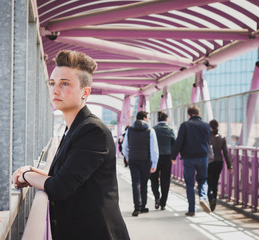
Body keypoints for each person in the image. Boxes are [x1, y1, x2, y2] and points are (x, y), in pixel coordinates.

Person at [12, 49, 130, 240]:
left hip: (98, 233)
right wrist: (32, 171)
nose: (55, 90)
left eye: (64, 83)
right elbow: (64, 176)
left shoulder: (93, 130)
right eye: (52, 83)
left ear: (85, 92)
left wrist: (27, 175)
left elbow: (60, 187)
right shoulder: (74, 128)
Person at [171, 105, 211, 216]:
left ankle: (191, 209)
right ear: (199, 114)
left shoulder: (185, 125)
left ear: (189, 114)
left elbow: (179, 142)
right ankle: (203, 197)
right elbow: (208, 141)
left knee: (189, 184)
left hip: (189, 158)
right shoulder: (206, 125)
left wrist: (173, 156)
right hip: (203, 157)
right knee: (203, 180)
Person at [122, 111, 159, 217]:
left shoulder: (130, 130)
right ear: (144, 118)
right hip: (145, 160)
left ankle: (137, 207)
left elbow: (124, 147)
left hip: (133, 159)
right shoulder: (150, 130)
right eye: (148, 117)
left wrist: (128, 157)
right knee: (144, 183)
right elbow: (154, 149)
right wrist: (154, 163)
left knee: (135, 183)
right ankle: (143, 206)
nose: (149, 119)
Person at [150, 111, 175, 210]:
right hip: (167, 157)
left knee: (154, 179)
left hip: (155, 157)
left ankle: (156, 197)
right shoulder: (170, 130)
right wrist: (173, 156)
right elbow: (174, 143)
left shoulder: (153, 129)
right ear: (166, 119)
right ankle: (163, 202)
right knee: (165, 180)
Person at [208, 119, 233, 211]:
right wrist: (229, 166)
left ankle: (210, 198)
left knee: (208, 181)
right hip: (219, 162)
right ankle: (214, 198)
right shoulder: (222, 137)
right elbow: (226, 153)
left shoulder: (207, 137)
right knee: (215, 182)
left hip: (209, 162)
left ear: (209, 127)